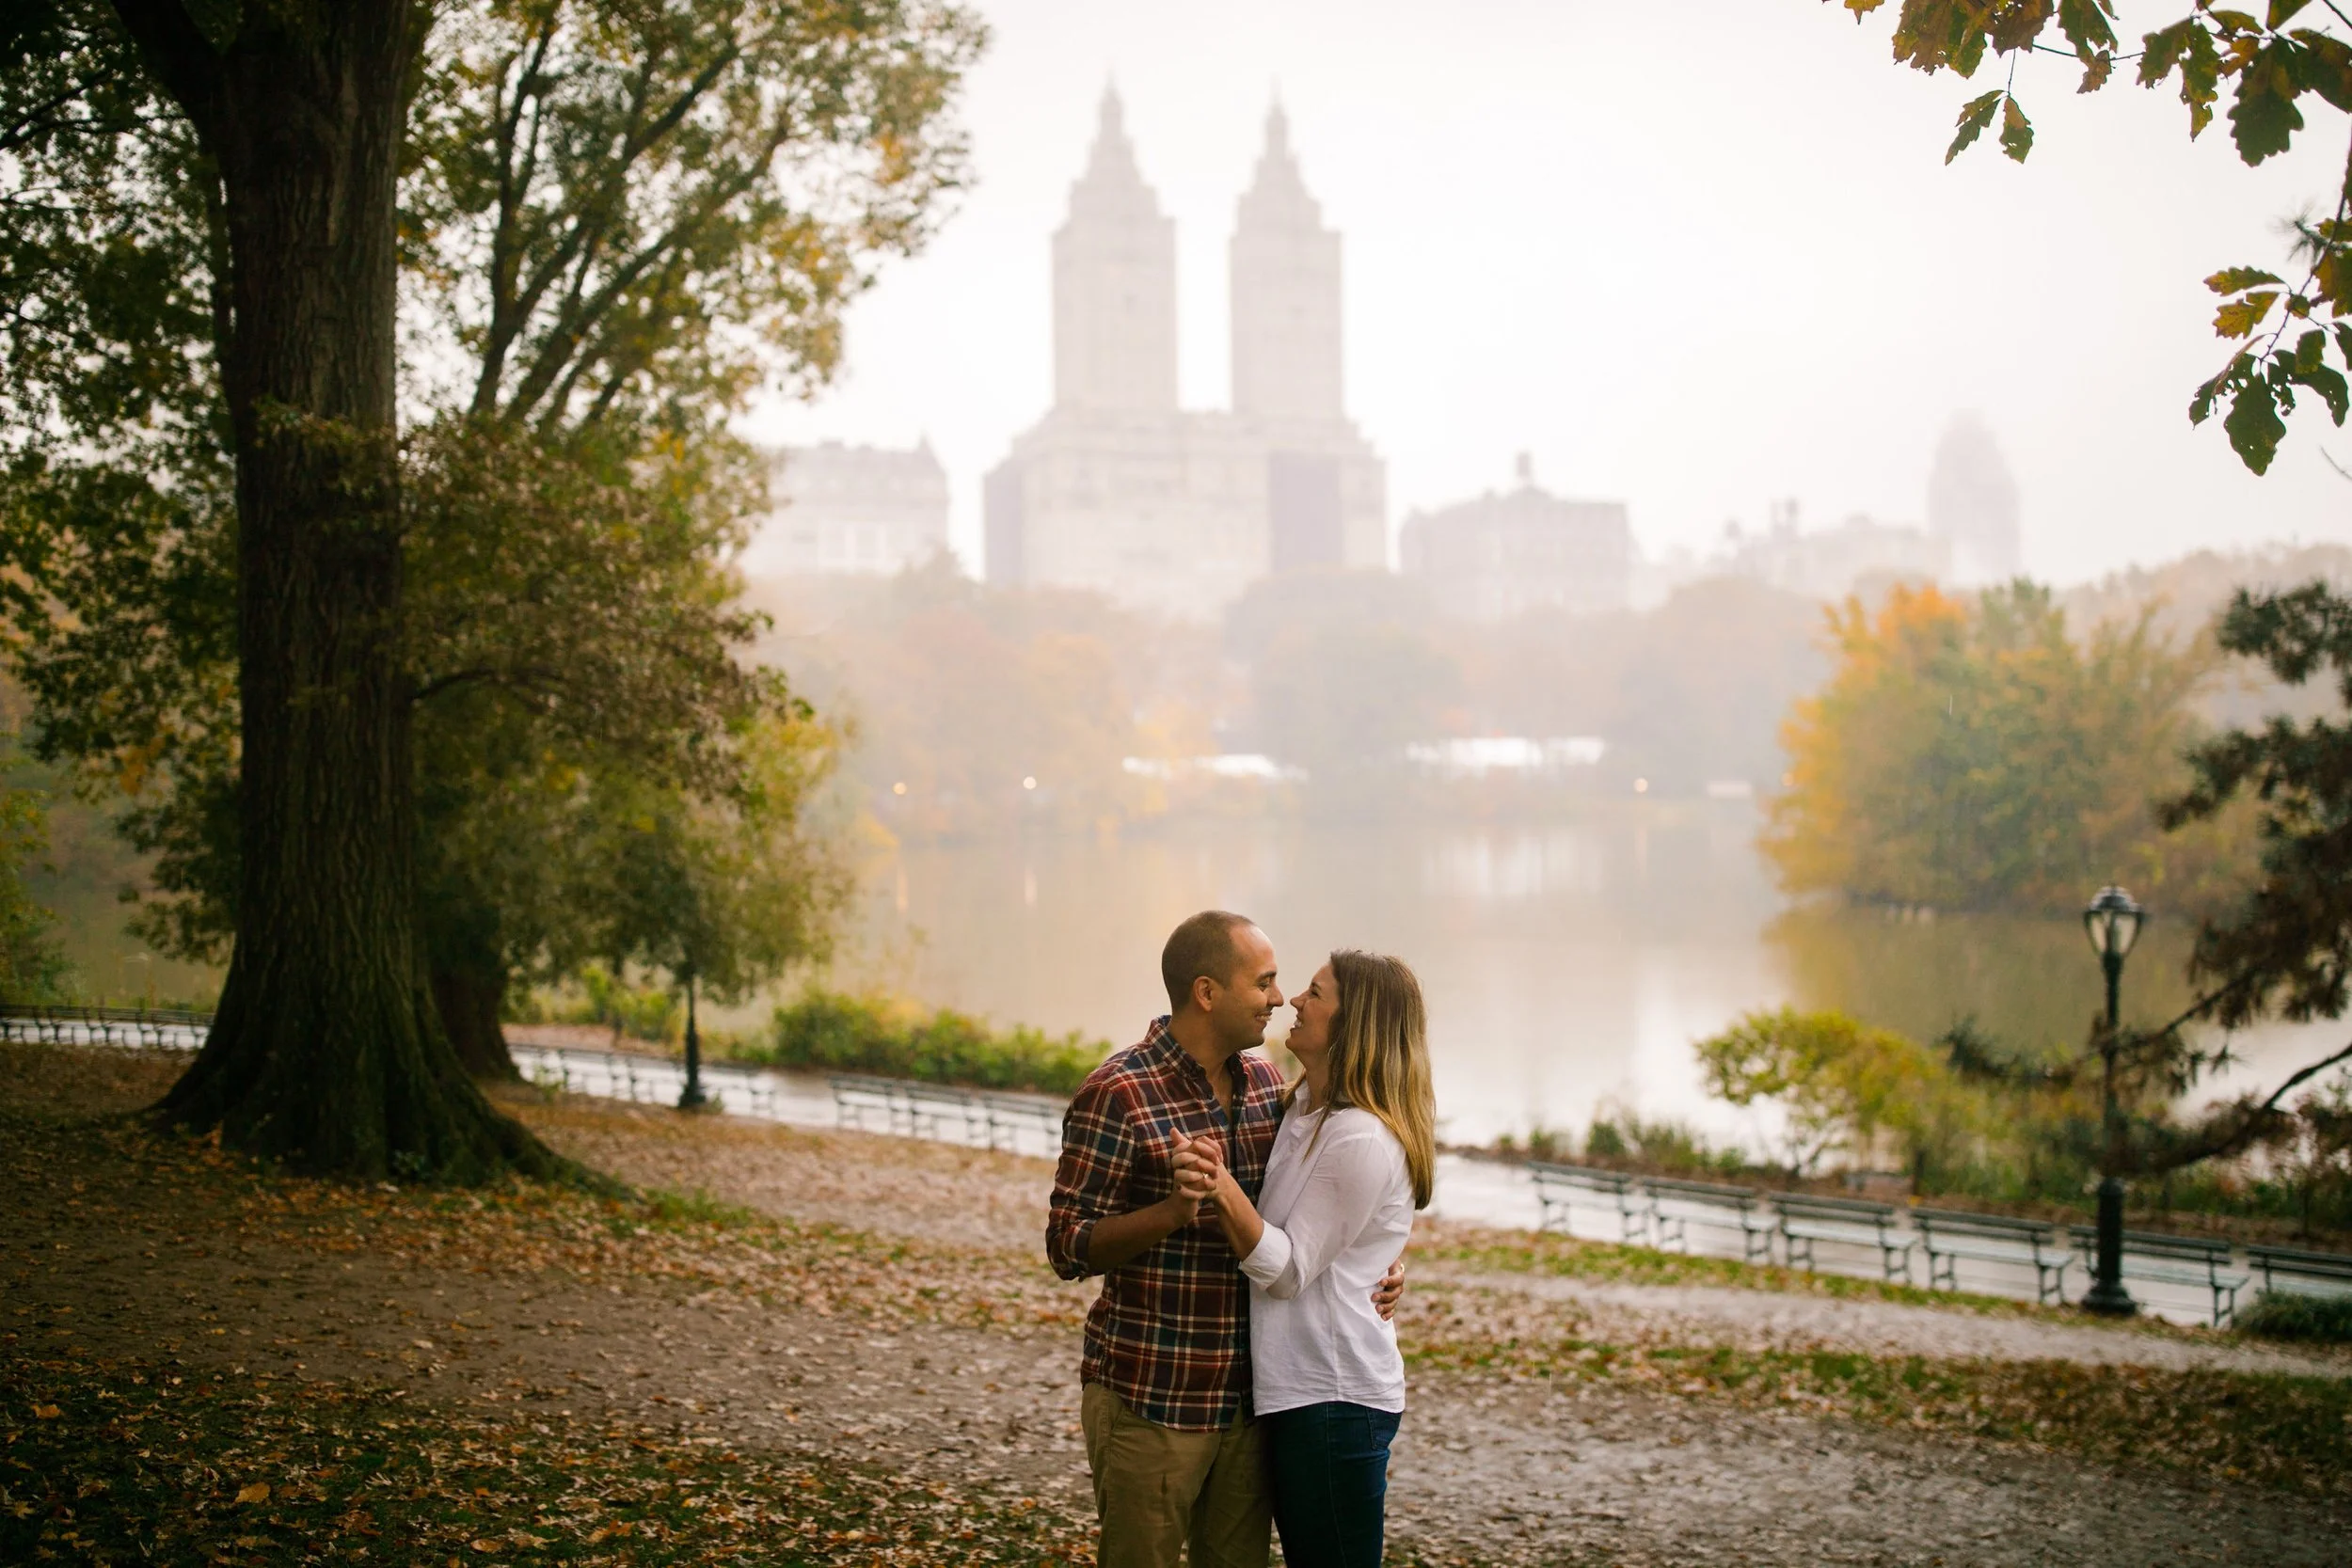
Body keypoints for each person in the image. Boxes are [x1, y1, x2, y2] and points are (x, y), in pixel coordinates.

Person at [1045, 911, 1403, 1568]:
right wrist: (1169, 1211)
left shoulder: (1271, 1087)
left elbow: (1323, 1197)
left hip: (1250, 1408)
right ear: (1207, 993)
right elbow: (1068, 1245)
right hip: (1153, 1395)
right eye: (1264, 981)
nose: (1278, 996)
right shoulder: (1118, 1093)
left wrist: (1373, 1257)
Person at [1173, 950, 1436, 1568]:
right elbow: (1336, 1242)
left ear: (1355, 1023)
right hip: (1297, 1393)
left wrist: (1218, 1181)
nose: (1293, 999)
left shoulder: (1361, 1135)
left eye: (1315, 994)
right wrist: (1380, 1261)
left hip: (1334, 1399)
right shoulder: (1305, 1110)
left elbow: (1289, 1269)